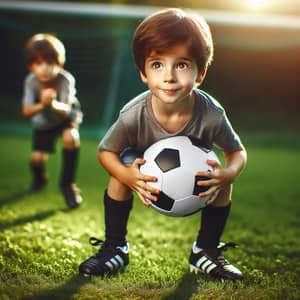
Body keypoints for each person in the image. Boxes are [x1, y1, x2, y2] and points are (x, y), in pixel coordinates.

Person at [79, 8, 247, 280]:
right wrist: (127, 176)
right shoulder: (133, 113)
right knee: (120, 173)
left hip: (195, 173)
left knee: (221, 178)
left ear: (200, 73)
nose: (169, 76)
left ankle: (205, 251)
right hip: (143, 165)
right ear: (144, 73)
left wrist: (228, 173)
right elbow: (106, 151)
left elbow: (236, 152)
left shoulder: (211, 113)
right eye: (157, 64)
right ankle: (115, 248)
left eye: (181, 64)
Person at [21, 33, 83, 209]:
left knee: (71, 137)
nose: (45, 68)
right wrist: (42, 104)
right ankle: (39, 179)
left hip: (65, 118)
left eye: (49, 63)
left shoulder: (65, 80)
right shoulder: (31, 82)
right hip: (44, 123)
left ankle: (68, 185)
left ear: (59, 63)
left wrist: (53, 103)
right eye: (38, 63)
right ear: (31, 66)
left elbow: (66, 110)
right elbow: (26, 111)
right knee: (37, 159)